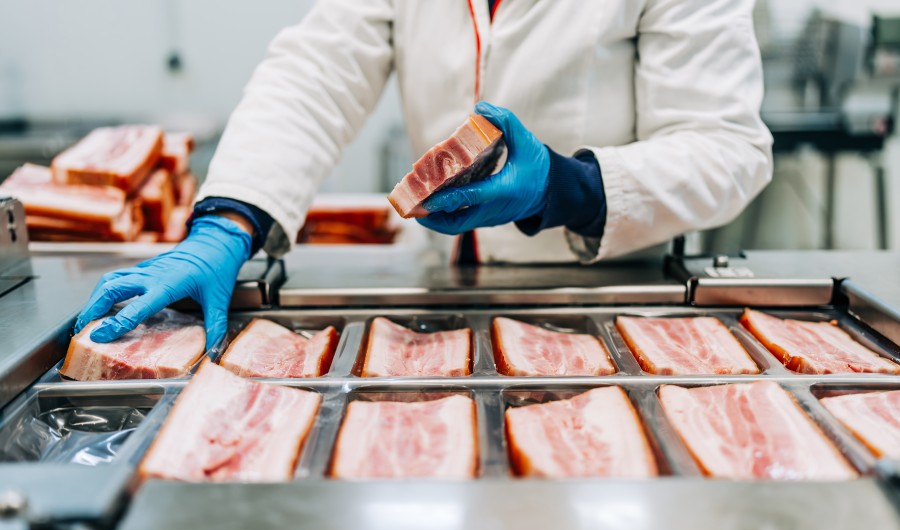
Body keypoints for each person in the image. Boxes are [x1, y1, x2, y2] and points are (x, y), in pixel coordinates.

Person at [75, 0, 773, 349]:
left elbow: (727, 146)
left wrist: (567, 188)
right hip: (439, 291)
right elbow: (316, 74)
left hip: (610, 299)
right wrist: (228, 222)